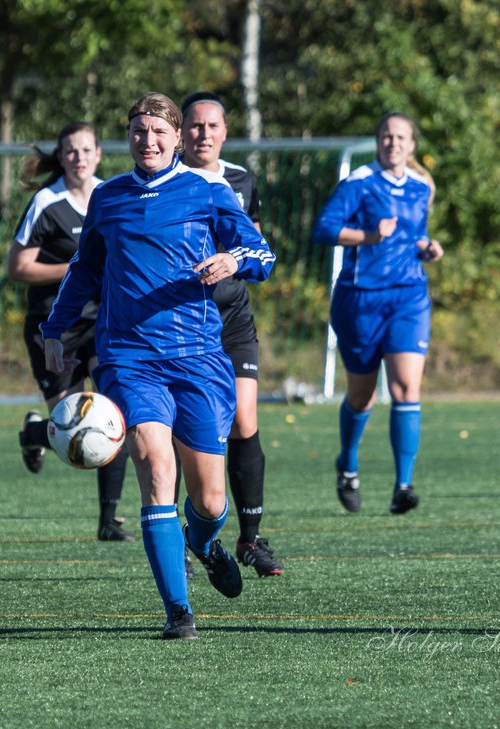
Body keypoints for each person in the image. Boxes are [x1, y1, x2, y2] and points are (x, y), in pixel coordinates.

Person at [41, 93, 275, 640]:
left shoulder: (207, 192)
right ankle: (178, 610)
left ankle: (203, 539)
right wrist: (55, 329)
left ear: (176, 140)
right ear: (129, 138)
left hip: (197, 358)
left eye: (158, 132)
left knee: (212, 499)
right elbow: (83, 271)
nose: (148, 141)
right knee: (153, 464)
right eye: (139, 132)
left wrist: (232, 259)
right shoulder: (108, 197)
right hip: (128, 357)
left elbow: (262, 253)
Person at [312, 112, 443, 514]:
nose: (393, 143)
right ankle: (347, 464)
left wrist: (427, 247)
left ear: (411, 145)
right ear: (378, 140)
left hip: (408, 297)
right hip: (360, 300)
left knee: (406, 388)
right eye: (386, 136)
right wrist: (369, 236)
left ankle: (403, 485)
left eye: (400, 137)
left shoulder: (421, 187)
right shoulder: (359, 183)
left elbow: (413, 233)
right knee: (362, 396)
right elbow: (323, 229)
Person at [9, 122, 133, 543]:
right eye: (70, 151)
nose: (79, 157)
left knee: (112, 414)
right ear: (61, 157)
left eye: (86, 149)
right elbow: (18, 267)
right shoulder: (47, 202)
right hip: (55, 325)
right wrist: (78, 270)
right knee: (68, 425)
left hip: (105, 321)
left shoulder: (113, 195)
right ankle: (32, 433)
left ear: (98, 153)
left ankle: (109, 521)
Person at [179, 90, 284, 578]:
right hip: (179, 320)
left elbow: (254, 241)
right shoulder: (164, 180)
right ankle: (191, 528)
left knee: (244, 421)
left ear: (225, 132)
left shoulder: (240, 179)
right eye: (195, 126)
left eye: (212, 126)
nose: (204, 134)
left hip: (232, 318)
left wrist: (234, 258)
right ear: (181, 132)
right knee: (191, 429)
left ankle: (251, 538)